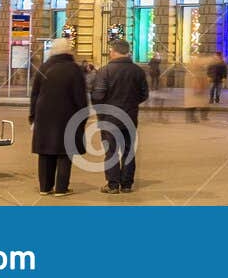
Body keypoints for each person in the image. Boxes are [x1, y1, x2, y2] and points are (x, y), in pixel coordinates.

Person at [29, 39, 88, 196]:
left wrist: (33, 117)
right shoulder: (74, 69)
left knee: (45, 151)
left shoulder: (44, 66)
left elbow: (34, 94)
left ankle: (45, 187)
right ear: (68, 51)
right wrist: (83, 117)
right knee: (64, 152)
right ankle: (61, 188)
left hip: (44, 117)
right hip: (67, 117)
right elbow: (80, 97)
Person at [89, 38, 149, 195]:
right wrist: (130, 103)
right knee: (129, 150)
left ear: (114, 52)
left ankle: (113, 184)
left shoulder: (105, 71)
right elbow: (144, 94)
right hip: (130, 116)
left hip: (110, 118)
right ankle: (127, 184)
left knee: (111, 151)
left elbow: (98, 96)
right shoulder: (138, 71)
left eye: (110, 51)